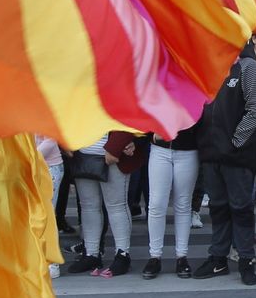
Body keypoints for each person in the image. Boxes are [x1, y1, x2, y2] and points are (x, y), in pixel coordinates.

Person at [195, 45, 256, 284]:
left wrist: (236, 140)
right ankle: (218, 258)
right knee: (217, 207)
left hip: (238, 154)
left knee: (241, 207)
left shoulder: (248, 68)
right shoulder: (209, 67)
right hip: (210, 153)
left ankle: (246, 259)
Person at [64, 131, 143, 276]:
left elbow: (127, 115)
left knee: (117, 206)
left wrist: (115, 147)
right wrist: (66, 141)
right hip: (82, 153)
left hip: (113, 156)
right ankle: (91, 253)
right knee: (88, 206)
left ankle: (122, 254)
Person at [145, 119, 199, 279]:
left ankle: (181, 256)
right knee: (156, 204)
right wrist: (152, 135)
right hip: (159, 148)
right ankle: (154, 256)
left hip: (188, 149)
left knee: (183, 205)